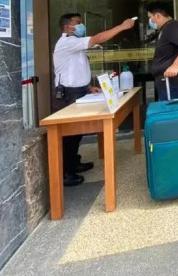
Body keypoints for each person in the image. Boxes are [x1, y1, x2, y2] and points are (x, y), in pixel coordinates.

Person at [53, 13, 136, 187]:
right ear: (67, 27)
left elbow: (74, 70)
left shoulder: (75, 44)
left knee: (77, 133)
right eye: (78, 23)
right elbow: (98, 38)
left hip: (79, 91)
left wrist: (88, 87)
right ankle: (66, 172)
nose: (81, 25)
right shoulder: (67, 42)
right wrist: (122, 26)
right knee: (69, 134)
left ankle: (74, 162)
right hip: (68, 95)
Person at [146, 2, 178, 100]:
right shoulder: (165, 29)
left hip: (176, 83)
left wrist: (175, 66)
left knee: (177, 109)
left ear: (158, 16)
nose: (150, 21)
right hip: (169, 83)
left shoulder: (172, 27)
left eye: (150, 17)